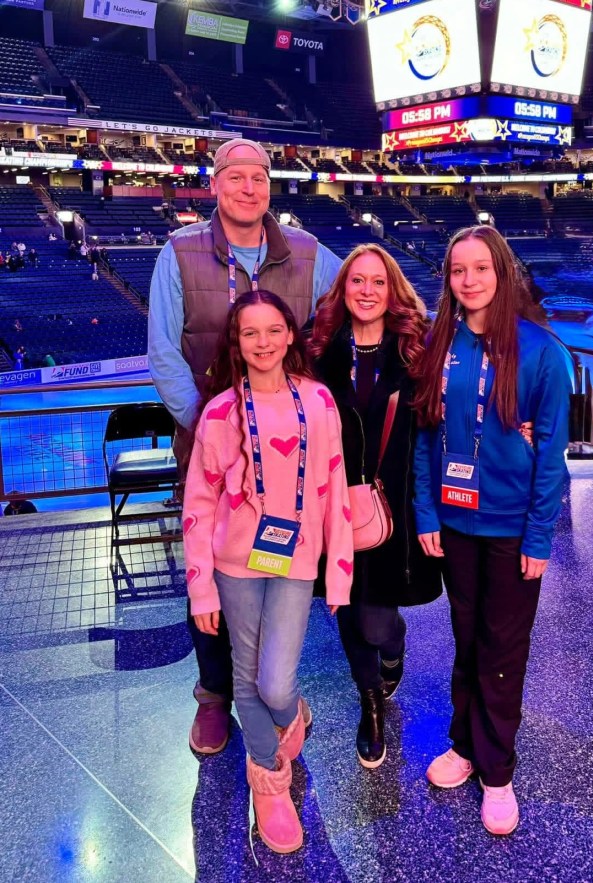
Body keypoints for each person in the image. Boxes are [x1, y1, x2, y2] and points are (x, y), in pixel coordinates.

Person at [148, 137, 342, 756]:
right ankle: (214, 697)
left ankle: (272, 693)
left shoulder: (310, 254)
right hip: (215, 451)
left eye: (259, 178)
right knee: (207, 565)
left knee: (274, 576)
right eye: (235, 178)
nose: (248, 188)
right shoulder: (178, 254)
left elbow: (365, 293)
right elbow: (164, 355)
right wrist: (217, 431)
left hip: (288, 455)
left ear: (270, 186)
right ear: (214, 185)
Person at [413, 226, 570, 836]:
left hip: (510, 529)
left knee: (503, 648)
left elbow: (551, 452)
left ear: (501, 273)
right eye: (458, 271)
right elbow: (428, 436)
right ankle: (464, 743)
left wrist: (539, 537)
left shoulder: (541, 351)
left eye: (481, 269)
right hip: (454, 522)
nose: (469, 280)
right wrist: (427, 513)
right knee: (467, 639)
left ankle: (497, 771)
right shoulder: (439, 345)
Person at [183, 289, 352, 854]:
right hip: (234, 563)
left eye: (273, 330)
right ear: (237, 341)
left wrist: (340, 573)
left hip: (295, 559)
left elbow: (334, 495)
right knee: (246, 673)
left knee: (275, 681)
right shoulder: (220, 411)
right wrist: (201, 587)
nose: (262, 342)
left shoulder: (320, 402)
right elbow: (199, 506)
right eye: (249, 333)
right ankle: (269, 778)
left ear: (289, 335)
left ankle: (293, 710)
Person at [310, 244, 443, 768]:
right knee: (348, 609)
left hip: (396, 511)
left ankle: (394, 647)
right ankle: (370, 708)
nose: (366, 291)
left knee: (379, 621)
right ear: (343, 290)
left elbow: (445, 421)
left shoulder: (416, 351)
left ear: (393, 292)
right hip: (334, 508)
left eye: (378, 282)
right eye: (357, 281)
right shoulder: (319, 353)